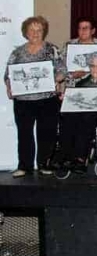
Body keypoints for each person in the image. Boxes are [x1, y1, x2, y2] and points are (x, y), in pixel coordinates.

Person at [4, 16, 63, 177]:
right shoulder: (17, 52)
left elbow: (62, 71)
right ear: (26, 32)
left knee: (47, 133)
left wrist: (55, 79)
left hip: (47, 99)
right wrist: (9, 88)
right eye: (32, 30)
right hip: (23, 101)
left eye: (39, 30)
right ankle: (25, 166)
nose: (35, 33)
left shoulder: (52, 49)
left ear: (44, 32)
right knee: (24, 133)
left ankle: (45, 164)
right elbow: (8, 75)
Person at [56, 53, 97, 174]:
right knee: (67, 119)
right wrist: (66, 98)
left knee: (85, 120)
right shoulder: (81, 83)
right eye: (92, 66)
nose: (94, 69)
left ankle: (80, 158)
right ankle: (64, 157)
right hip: (80, 113)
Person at [58, 17, 97, 90]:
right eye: (80, 28)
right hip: (73, 87)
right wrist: (71, 75)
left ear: (93, 31)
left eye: (85, 28)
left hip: (96, 86)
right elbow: (61, 67)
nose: (82, 31)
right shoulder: (69, 45)